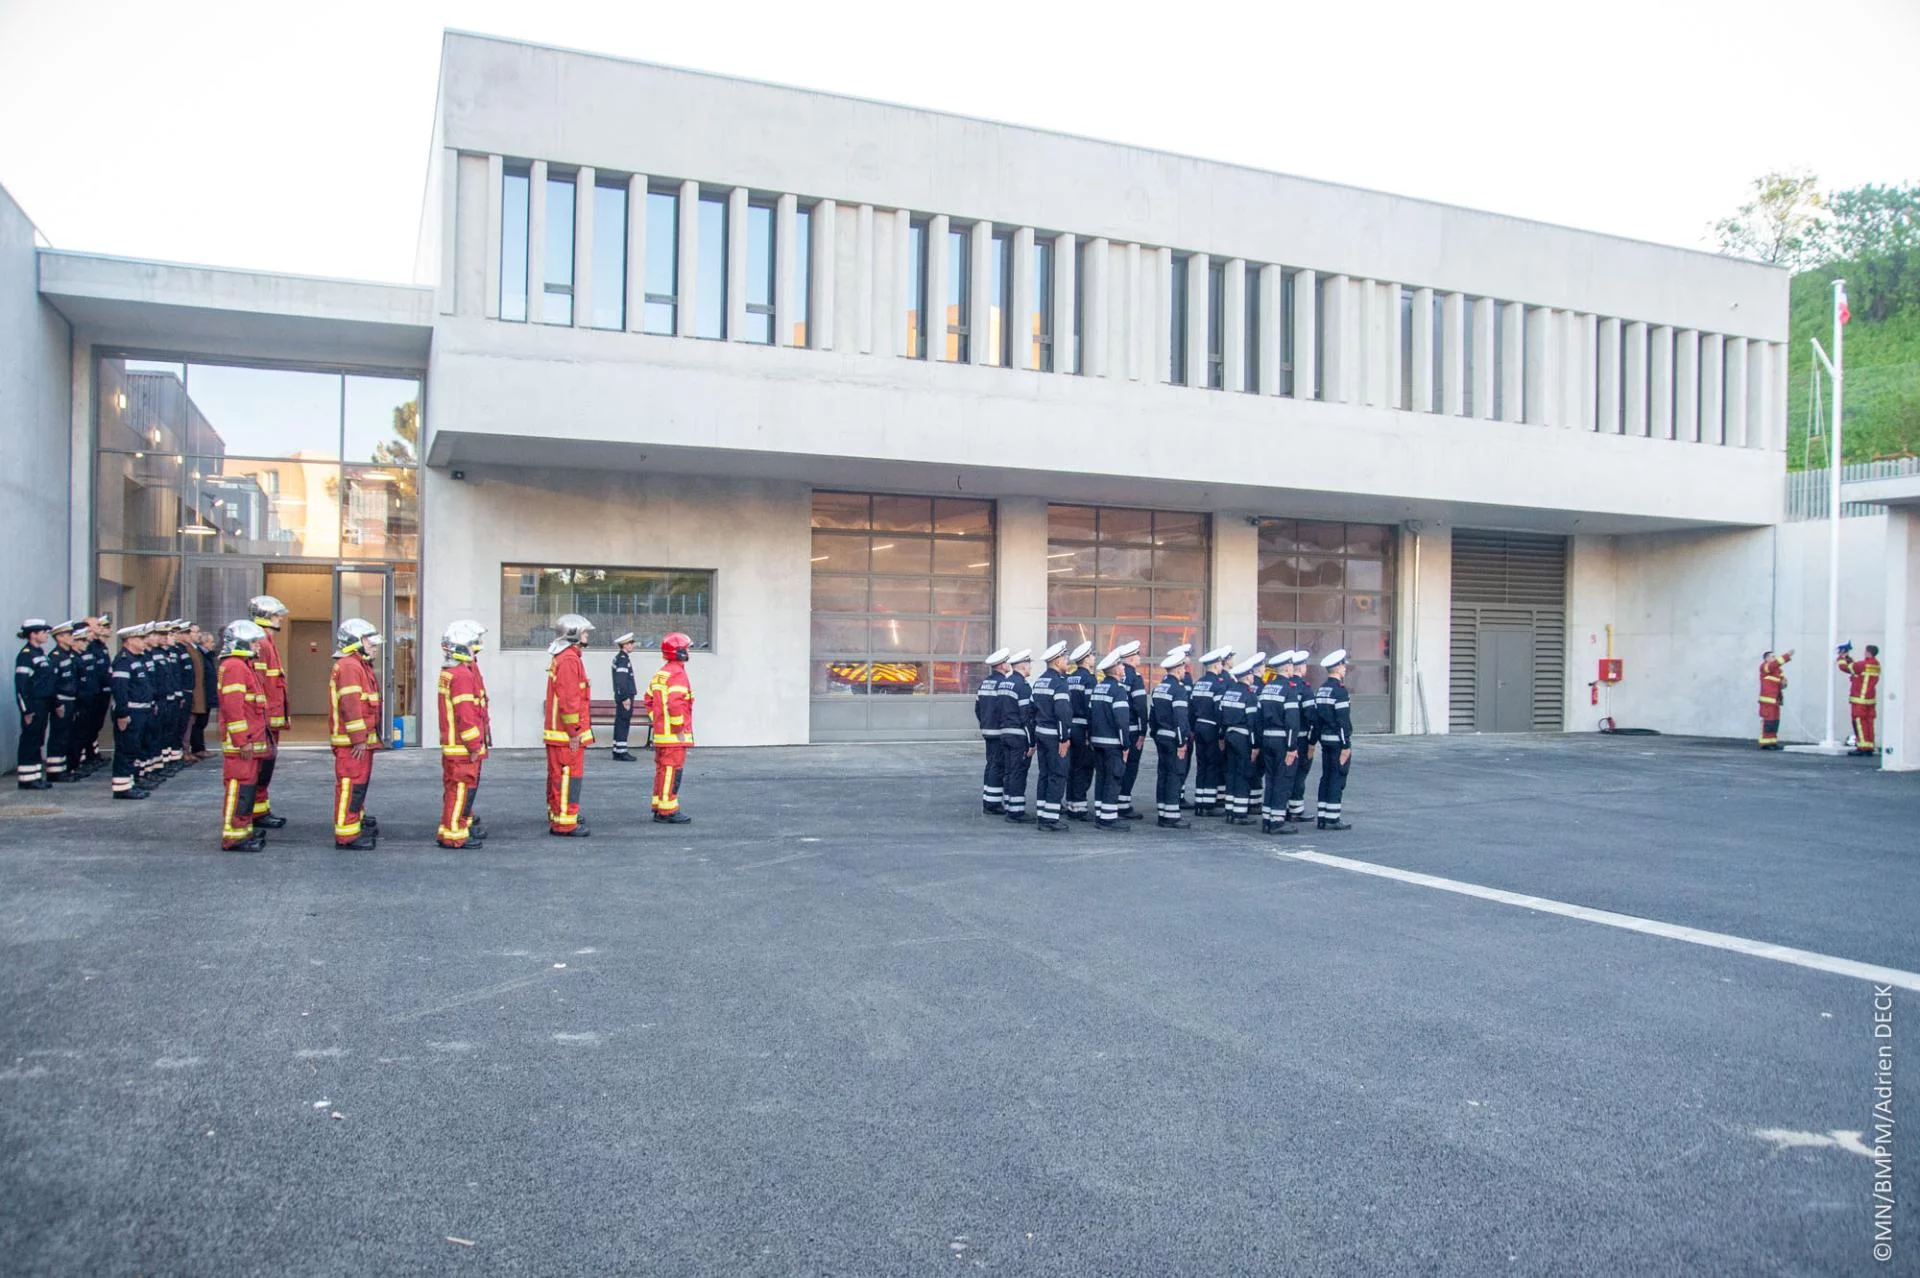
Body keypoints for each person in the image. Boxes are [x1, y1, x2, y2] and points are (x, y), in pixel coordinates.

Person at [328, 618, 384, 850]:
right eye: (369, 642)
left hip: (359, 740)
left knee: (358, 784)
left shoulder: (358, 664)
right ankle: (347, 834)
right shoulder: (350, 666)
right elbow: (351, 706)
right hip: (353, 742)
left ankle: (355, 819)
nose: (374, 646)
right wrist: (359, 739)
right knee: (351, 784)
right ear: (356, 641)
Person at [216, 620, 272, 852]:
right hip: (242, 743)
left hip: (250, 740)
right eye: (254, 642)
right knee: (239, 788)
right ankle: (234, 836)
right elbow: (233, 709)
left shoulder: (242, 665)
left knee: (247, 788)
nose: (259, 646)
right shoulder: (235, 667)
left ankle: (244, 828)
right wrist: (242, 741)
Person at [436, 620, 490, 849]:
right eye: (471, 645)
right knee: (460, 789)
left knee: (454, 789)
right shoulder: (461, 675)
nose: (474, 649)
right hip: (462, 747)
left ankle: (451, 827)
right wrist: (474, 744)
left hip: (454, 745)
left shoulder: (450, 672)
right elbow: (466, 715)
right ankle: (454, 835)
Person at [544, 614, 595, 836]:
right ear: (573, 634)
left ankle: (560, 813)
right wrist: (575, 731)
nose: (587, 636)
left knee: (559, 776)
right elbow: (569, 700)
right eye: (584, 632)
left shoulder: (565, 657)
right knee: (569, 776)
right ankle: (565, 822)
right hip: (566, 734)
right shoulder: (569, 659)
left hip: (561, 732)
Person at [247, 596, 290, 829]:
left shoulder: (266, 641)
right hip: (264, 720)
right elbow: (258, 684)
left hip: (270, 719)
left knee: (265, 767)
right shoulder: (261, 643)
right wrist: (262, 720)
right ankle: (254, 812)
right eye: (276, 615)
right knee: (260, 768)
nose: (280, 618)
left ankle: (259, 810)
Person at [645, 631, 696, 824]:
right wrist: (678, 729)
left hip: (661, 734)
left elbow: (648, 700)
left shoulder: (661, 673)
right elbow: (675, 705)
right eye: (687, 648)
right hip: (673, 737)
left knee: (662, 770)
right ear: (680, 652)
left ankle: (660, 805)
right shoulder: (677, 674)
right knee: (672, 771)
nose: (689, 651)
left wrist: (658, 721)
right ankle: (667, 810)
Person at [1029, 641, 1073, 833]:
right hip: (1055, 736)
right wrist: (1064, 739)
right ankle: (1050, 819)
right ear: (1056, 661)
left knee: (1045, 774)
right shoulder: (1060, 684)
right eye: (1064, 658)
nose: (1067, 661)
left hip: (1041, 733)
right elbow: (1063, 713)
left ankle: (1042, 812)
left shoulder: (1039, 681)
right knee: (1058, 775)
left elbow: (1031, 711)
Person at [1088, 647, 1133, 831]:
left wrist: (1091, 738)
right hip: (1113, 743)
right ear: (1115, 669)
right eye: (1121, 665)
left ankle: (1100, 813)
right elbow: (1122, 721)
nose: (1124, 668)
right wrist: (1125, 745)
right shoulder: (1118, 691)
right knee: (1113, 778)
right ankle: (1108, 819)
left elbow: (1091, 715)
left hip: (1097, 741)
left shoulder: (1098, 688)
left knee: (1101, 777)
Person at [107, 622, 151, 800]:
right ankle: (122, 788)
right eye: (140, 638)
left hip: (140, 711)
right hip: (130, 712)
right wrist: (123, 714)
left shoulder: (136, 659)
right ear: (129, 640)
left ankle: (130, 782)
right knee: (125, 749)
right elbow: (120, 690)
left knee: (134, 749)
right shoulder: (124, 661)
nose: (144, 641)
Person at [1149, 649, 1193, 829]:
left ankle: (1162, 812)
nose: (1184, 671)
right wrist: (1182, 742)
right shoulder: (1178, 690)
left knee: (1163, 774)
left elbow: (1152, 715)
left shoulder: (1158, 688)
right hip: (1174, 738)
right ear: (1177, 669)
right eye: (1183, 667)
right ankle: (1172, 815)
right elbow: (1181, 718)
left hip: (1160, 737)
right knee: (1174, 775)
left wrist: (1154, 733)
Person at [1218, 653, 1264, 824]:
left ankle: (1230, 810)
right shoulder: (1250, 696)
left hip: (1229, 735)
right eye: (1252, 675)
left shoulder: (1229, 693)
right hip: (1243, 738)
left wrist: (1222, 737)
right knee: (1243, 774)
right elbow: (1252, 723)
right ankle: (1239, 814)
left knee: (1231, 772)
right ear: (1248, 676)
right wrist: (1255, 746)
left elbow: (1221, 717)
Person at [1257, 652, 1299, 835]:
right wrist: (1292, 747)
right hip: (1282, 740)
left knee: (1270, 778)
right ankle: (1277, 821)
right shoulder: (1289, 690)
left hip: (1266, 738)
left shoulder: (1266, 688)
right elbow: (1292, 722)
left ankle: (1267, 818)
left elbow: (1258, 719)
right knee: (1282, 779)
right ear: (1288, 667)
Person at [1314, 649, 1354, 830]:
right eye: (1343, 665)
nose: (1345, 668)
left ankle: (1322, 816)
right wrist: (1346, 745)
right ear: (1337, 668)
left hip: (1325, 740)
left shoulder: (1322, 689)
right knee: (1337, 777)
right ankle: (1332, 818)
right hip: (1338, 741)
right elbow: (1342, 721)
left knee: (1326, 776)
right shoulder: (1339, 692)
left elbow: (1317, 719)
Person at [1188, 647, 1230, 816]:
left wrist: (1192, 729)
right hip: (1212, 727)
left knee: (1202, 765)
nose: (1221, 666)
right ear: (1215, 665)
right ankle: (1208, 805)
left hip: (1198, 726)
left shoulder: (1199, 683)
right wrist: (1221, 733)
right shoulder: (1218, 685)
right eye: (1220, 663)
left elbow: (1191, 709)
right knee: (1212, 765)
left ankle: (1199, 802)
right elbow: (1219, 710)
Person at [14, 619, 55, 790]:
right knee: (30, 740)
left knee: (37, 739)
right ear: (32, 634)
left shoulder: (39, 653)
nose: (46, 635)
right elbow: (21, 686)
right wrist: (26, 710)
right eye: (43, 632)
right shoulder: (26, 655)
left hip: (43, 703)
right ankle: (26, 779)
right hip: (33, 704)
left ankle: (35, 776)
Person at [997, 649, 1035, 822]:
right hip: (1019, 735)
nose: (1030, 667)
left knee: (1010, 771)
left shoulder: (1005, 683)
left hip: (1004, 733)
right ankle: (1016, 812)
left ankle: (1009, 805)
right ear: (1022, 665)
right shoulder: (1023, 686)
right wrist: (1031, 742)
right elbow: (1026, 716)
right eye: (1029, 664)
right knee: (1018, 773)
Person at [74, 616, 113, 777]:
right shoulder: (86, 648)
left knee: (94, 726)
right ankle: (82, 759)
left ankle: (91, 755)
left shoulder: (98, 646)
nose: (99, 628)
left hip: (99, 692)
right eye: (94, 626)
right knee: (83, 729)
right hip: (88, 694)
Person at [974, 647, 1011, 814]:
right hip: (999, 731)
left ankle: (988, 798)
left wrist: (984, 722)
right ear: (1002, 666)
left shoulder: (985, 683)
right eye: (1007, 662)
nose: (1009, 664)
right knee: (998, 765)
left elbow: (977, 707)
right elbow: (1006, 708)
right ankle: (993, 804)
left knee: (990, 764)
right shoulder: (1002, 683)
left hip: (987, 730)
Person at [1063, 642, 1097, 821]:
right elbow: (1090, 707)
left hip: (1071, 727)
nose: (1094, 658)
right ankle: (1079, 807)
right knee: (1084, 768)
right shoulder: (1089, 680)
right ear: (1085, 659)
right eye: (1092, 655)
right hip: (1083, 728)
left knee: (1072, 767)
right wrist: (1091, 733)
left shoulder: (1069, 678)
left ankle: (1071, 804)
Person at [44, 622, 82, 783]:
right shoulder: (55, 657)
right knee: (58, 736)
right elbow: (51, 684)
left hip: (71, 700)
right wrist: (57, 704)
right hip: (62, 701)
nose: (72, 638)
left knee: (67, 736)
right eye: (69, 635)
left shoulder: (69, 655)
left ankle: (64, 768)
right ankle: (54, 772)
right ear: (59, 638)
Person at [1282, 651, 1315, 826]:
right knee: (1299, 774)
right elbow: (1311, 716)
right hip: (1300, 738)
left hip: (1282, 738)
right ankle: (1296, 809)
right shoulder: (1304, 687)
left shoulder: (1284, 685)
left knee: (1284, 774)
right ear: (1300, 668)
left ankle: (1284, 807)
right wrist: (1312, 741)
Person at [1117, 642, 1148, 819]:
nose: (1140, 658)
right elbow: (1140, 706)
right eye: (1137, 655)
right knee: (1130, 767)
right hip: (1133, 730)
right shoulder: (1135, 678)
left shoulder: (1117, 675)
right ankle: (1123, 803)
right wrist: (1143, 731)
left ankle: (1112, 801)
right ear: (1130, 658)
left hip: (1117, 730)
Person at [1836, 642, 1882, 756]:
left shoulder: (1863, 665)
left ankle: (1862, 747)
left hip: (1859, 700)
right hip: (1870, 699)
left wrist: (1841, 657)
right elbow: (1856, 667)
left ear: (1868, 653)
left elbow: (1845, 667)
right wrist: (1848, 657)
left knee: (1859, 723)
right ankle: (1869, 746)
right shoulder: (1876, 665)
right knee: (1869, 723)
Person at [610, 633, 640, 762]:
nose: (632, 646)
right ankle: (622, 751)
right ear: (625, 645)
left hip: (623, 696)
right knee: (623, 722)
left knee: (620, 722)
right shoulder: (623, 659)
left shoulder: (620, 658)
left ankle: (617, 749)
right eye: (631, 644)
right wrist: (625, 698)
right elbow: (621, 681)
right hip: (625, 696)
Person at [188, 625, 216, 760]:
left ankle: (199, 747)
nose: (213, 644)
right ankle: (197, 748)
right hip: (202, 694)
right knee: (198, 723)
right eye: (211, 642)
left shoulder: (205, 655)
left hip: (207, 693)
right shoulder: (199, 654)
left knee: (201, 722)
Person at [1756, 650, 1792, 749]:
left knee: (1774, 722)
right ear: (1766, 658)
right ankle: (1765, 744)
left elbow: (1782, 682)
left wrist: (1784, 683)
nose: (1774, 658)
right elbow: (1773, 666)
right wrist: (1786, 656)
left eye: (1774, 656)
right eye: (1772, 656)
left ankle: (1772, 742)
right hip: (1767, 701)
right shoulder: (1765, 667)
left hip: (1775, 701)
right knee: (1768, 722)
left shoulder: (1778, 671)